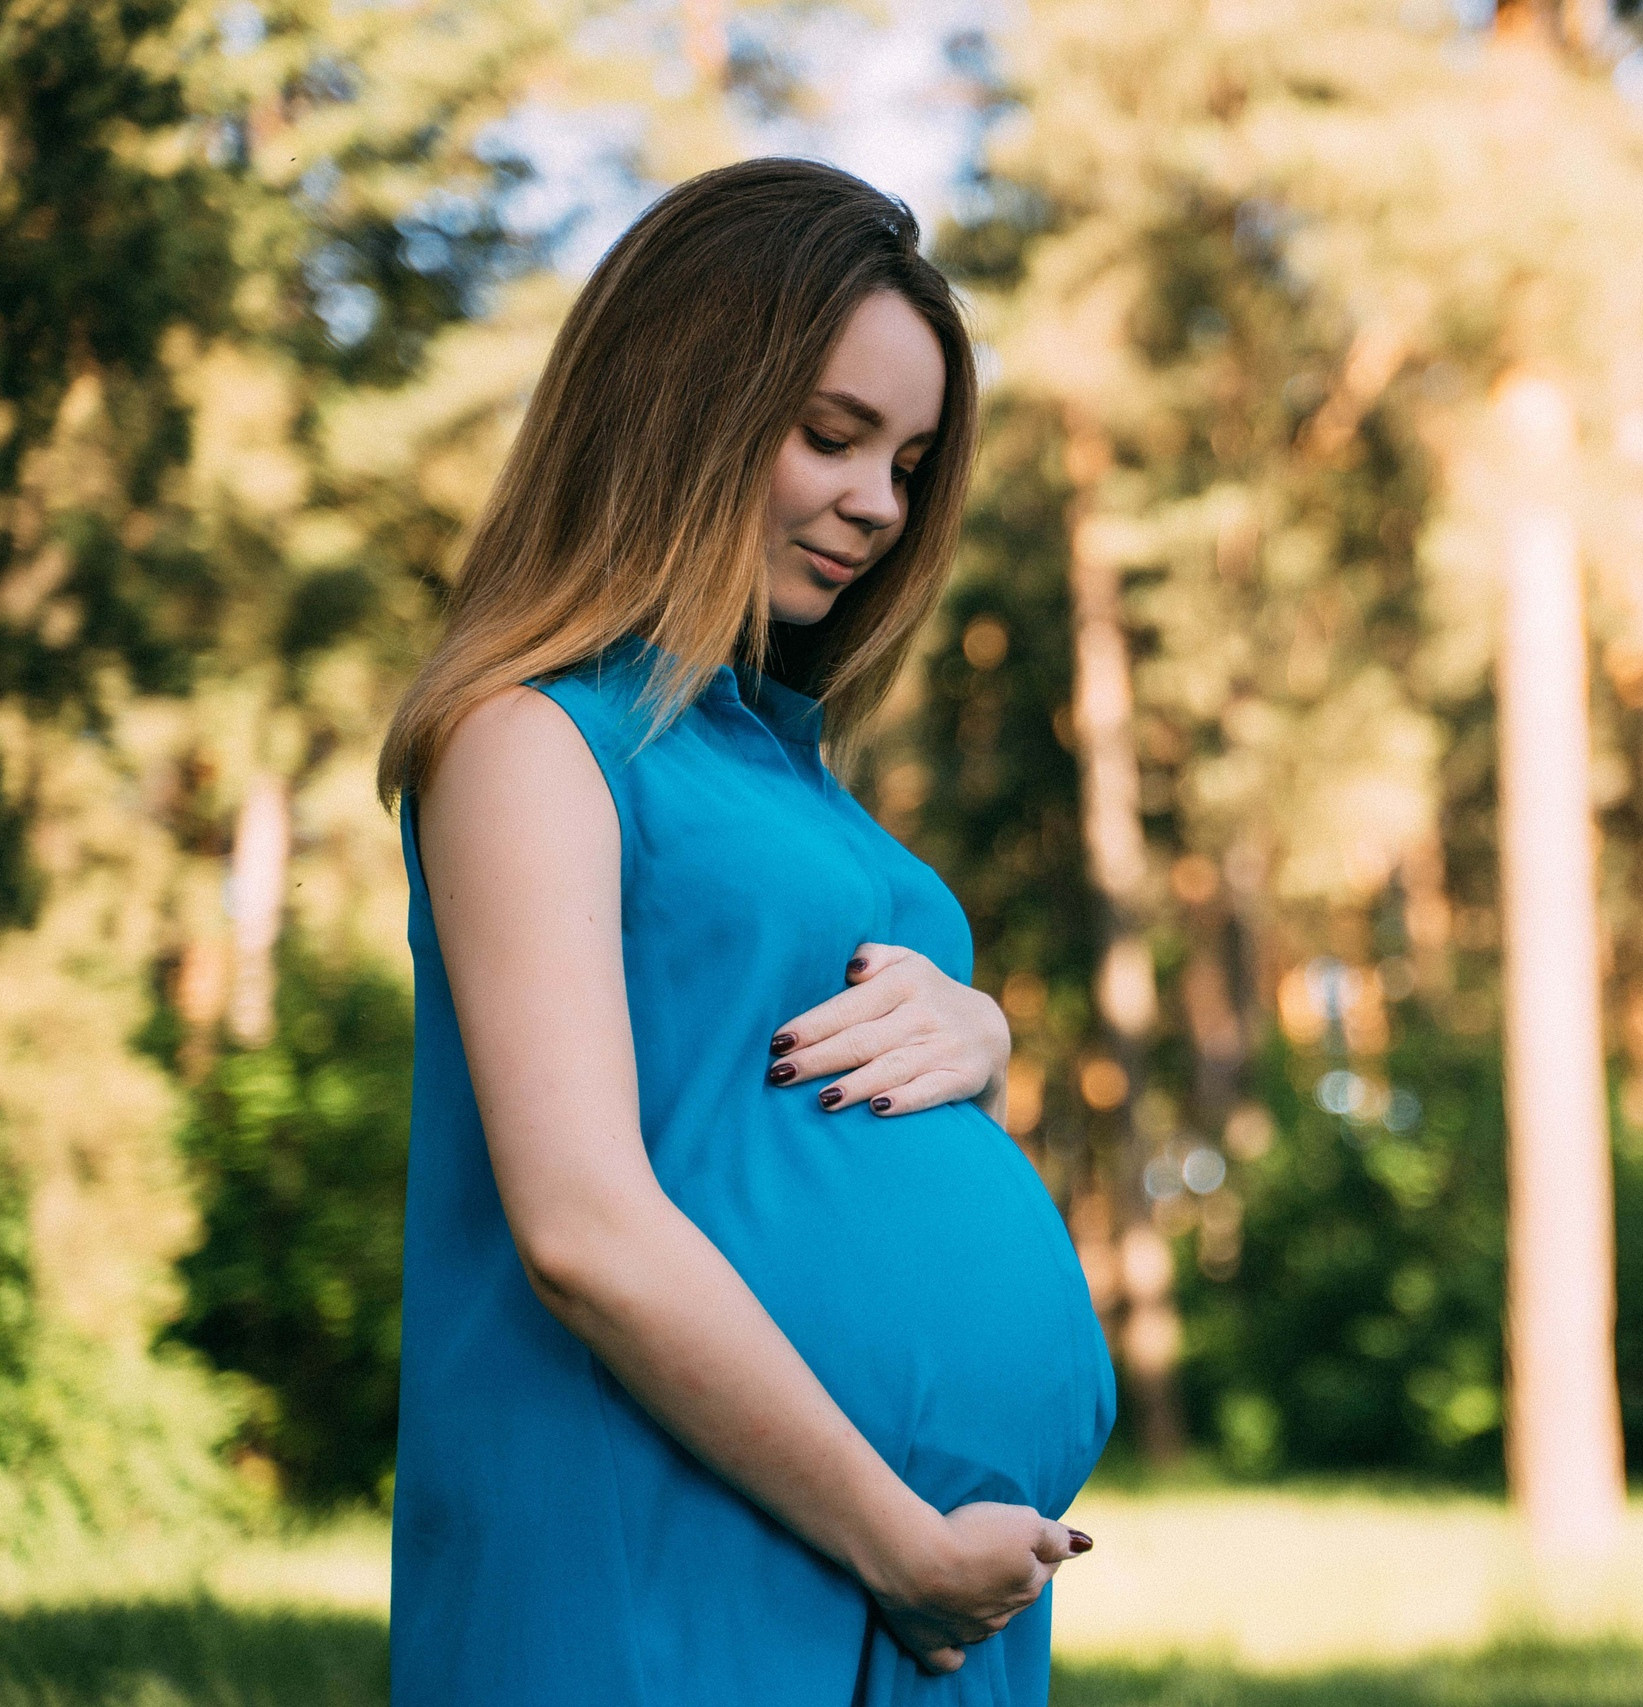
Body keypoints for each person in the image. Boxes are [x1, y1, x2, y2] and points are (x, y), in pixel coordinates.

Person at [375, 159, 1115, 1705]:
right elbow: (582, 1225)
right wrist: (899, 1541)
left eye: (908, 461)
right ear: (679, 407)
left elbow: (759, 1078)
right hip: (669, 1562)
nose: (878, 505)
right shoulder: (532, 739)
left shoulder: (784, 766)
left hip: (912, 1593)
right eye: (831, 437)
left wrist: (979, 1034)